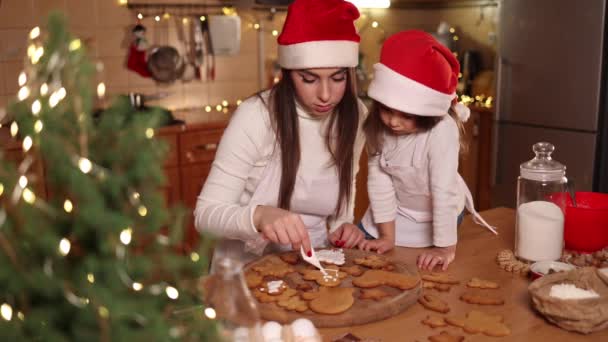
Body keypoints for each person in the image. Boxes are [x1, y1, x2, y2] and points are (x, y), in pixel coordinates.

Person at [194, 0, 367, 269]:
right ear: (288, 73)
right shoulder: (257, 116)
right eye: (308, 79)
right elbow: (204, 216)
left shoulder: (355, 115)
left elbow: (343, 202)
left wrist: (344, 227)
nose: (325, 94)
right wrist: (259, 216)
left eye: (338, 78)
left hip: (315, 265)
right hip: (246, 270)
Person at [358, 30, 496, 271]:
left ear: (428, 113)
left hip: (440, 214)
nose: (393, 122)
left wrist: (445, 248)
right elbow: (380, 183)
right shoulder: (379, 128)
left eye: (406, 116)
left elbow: (442, 190)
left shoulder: (442, 130)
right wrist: (387, 236)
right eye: (386, 110)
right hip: (397, 211)